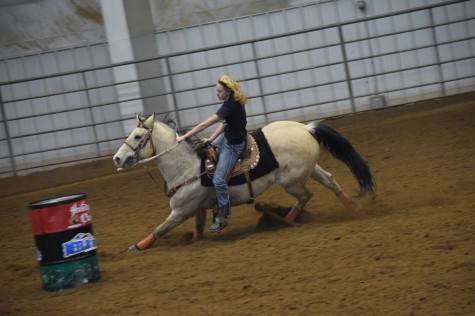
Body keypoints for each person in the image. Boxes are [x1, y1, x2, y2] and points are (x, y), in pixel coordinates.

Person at [176, 74, 248, 232]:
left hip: (234, 145)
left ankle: (224, 215)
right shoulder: (231, 102)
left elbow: (205, 124)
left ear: (228, 91)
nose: (217, 93)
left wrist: (184, 137)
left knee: (219, 180)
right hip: (226, 137)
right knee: (205, 147)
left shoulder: (230, 106)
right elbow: (224, 125)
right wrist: (211, 139)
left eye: (219, 91)